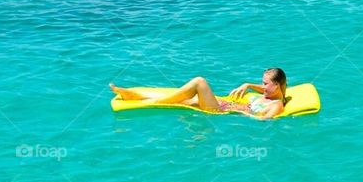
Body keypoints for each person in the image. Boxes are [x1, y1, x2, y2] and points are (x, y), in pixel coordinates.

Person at [110, 67, 288, 119]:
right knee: (180, 100)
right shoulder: (270, 94)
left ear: (277, 85)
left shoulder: (276, 104)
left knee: (199, 82)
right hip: (224, 104)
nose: (262, 87)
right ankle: (136, 96)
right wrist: (247, 85)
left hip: (220, 110)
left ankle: (145, 101)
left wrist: (248, 111)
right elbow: (262, 90)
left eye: (265, 84)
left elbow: (266, 120)